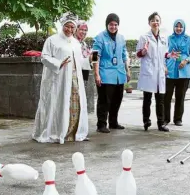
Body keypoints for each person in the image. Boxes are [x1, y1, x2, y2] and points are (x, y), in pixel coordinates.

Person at [32, 12, 88, 144]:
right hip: (58, 79)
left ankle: (72, 132)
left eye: (72, 27)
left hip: (75, 79)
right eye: (67, 26)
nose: (69, 30)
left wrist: (90, 60)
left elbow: (79, 61)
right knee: (58, 103)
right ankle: (55, 132)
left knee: (75, 103)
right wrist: (58, 63)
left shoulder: (76, 43)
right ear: (62, 26)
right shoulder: (52, 40)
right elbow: (44, 57)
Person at [92, 13, 131, 133]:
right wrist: (96, 74)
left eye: (115, 24)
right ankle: (101, 124)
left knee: (117, 100)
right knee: (104, 101)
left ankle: (113, 122)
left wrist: (127, 71)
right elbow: (95, 56)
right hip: (105, 74)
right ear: (107, 24)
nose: (113, 27)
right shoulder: (99, 37)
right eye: (111, 24)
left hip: (119, 74)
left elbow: (124, 56)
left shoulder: (121, 38)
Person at [136, 12, 173, 132]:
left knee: (160, 100)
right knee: (147, 99)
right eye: (153, 20)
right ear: (149, 23)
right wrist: (143, 51)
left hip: (159, 72)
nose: (155, 22)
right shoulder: (144, 37)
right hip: (149, 72)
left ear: (160, 23)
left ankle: (161, 123)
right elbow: (138, 54)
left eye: (157, 20)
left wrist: (169, 55)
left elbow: (164, 54)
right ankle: (146, 121)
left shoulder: (163, 38)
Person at [164, 19, 190, 126]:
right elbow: (164, 53)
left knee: (180, 96)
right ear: (173, 27)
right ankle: (165, 119)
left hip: (184, 72)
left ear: (183, 28)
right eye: (176, 26)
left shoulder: (189, 39)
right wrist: (164, 66)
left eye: (180, 27)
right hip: (170, 71)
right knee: (166, 96)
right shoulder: (169, 38)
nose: (178, 29)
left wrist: (186, 60)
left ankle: (178, 119)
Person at [74, 20, 91, 86]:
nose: (84, 32)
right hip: (74, 75)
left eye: (85, 30)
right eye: (81, 29)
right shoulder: (72, 42)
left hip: (83, 75)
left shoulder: (84, 44)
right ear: (76, 29)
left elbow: (86, 61)